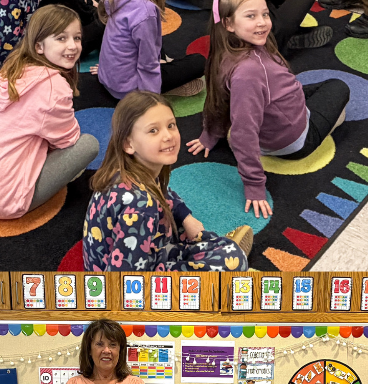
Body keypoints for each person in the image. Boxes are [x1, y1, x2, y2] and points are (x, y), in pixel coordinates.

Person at [187, 0, 349, 220]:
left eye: (265, 14)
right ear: (229, 24)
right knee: (338, 86)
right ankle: (324, 124)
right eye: (251, 16)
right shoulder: (250, 73)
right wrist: (254, 185)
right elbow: (244, 133)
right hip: (294, 142)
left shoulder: (226, 51)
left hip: (272, 116)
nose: (263, 22)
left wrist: (211, 133)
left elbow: (221, 98)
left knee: (303, 89)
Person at [0, 5, 98, 220]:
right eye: (61, 38)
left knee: (34, 130)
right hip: (3, 201)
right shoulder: (54, 89)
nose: (73, 46)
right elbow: (68, 141)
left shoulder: (13, 68)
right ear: (39, 46)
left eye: (77, 38)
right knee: (88, 144)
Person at [83, 91, 251, 271]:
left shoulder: (123, 169)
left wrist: (186, 217)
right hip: (128, 280)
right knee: (234, 259)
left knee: (179, 222)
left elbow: (163, 192)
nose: (168, 136)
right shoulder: (141, 208)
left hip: (131, 251)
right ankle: (217, 248)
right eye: (153, 130)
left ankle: (212, 246)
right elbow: (124, 282)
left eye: (171, 125)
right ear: (128, 144)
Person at [96, 0, 206, 100]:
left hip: (110, 79)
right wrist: (150, 98)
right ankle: (166, 87)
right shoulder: (146, 11)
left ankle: (164, 67)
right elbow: (147, 64)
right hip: (130, 90)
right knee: (198, 61)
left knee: (157, 42)